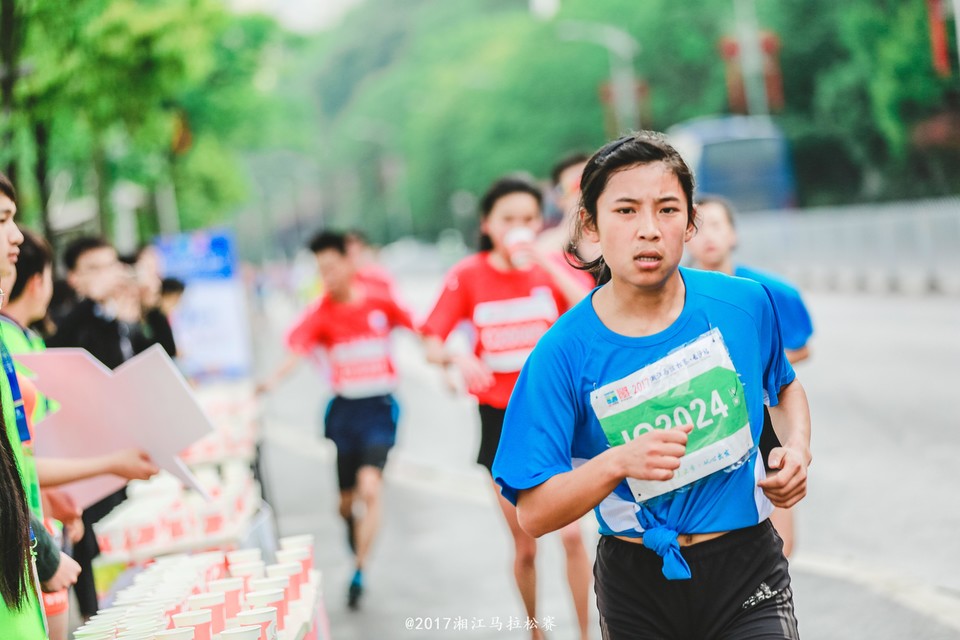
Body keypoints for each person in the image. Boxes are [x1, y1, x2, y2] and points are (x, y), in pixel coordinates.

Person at [493, 132, 811, 640]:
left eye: (667, 210)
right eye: (625, 211)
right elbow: (533, 514)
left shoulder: (744, 305)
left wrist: (796, 449)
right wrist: (617, 462)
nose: (649, 230)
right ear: (590, 226)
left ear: (689, 224)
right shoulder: (561, 352)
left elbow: (786, 386)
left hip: (747, 565)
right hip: (636, 581)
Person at [421, 176, 593, 640]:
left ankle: (587, 632)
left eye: (528, 219)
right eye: (509, 219)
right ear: (488, 224)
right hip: (501, 422)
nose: (519, 228)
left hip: (559, 418)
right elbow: (430, 340)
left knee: (574, 536)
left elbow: (591, 312)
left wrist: (548, 265)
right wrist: (457, 356)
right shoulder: (468, 275)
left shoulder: (550, 270)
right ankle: (536, 631)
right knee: (526, 545)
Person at [257, 230, 414, 610]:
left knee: (371, 487)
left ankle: (359, 570)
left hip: (379, 408)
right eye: (320, 270)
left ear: (350, 261)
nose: (326, 276)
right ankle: (352, 530)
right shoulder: (320, 312)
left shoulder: (380, 301)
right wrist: (270, 382)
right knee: (345, 504)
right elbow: (295, 352)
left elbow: (421, 329)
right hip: (344, 414)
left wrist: (445, 359)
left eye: (331, 267)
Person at [685, 195, 814, 557]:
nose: (708, 236)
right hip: (707, 425)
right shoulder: (672, 297)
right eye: (699, 227)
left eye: (717, 225)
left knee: (782, 545)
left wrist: (749, 365)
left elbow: (800, 348)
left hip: (763, 417)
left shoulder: (763, 292)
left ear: (733, 235)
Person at [47, 235, 160, 620]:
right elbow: (59, 350)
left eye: (109, 266)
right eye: (92, 269)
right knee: (94, 560)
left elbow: (149, 367)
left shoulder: (118, 319)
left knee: (131, 553)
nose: (104, 277)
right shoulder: (64, 319)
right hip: (87, 463)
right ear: (73, 279)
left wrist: (140, 315)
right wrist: (91, 304)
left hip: (125, 455)